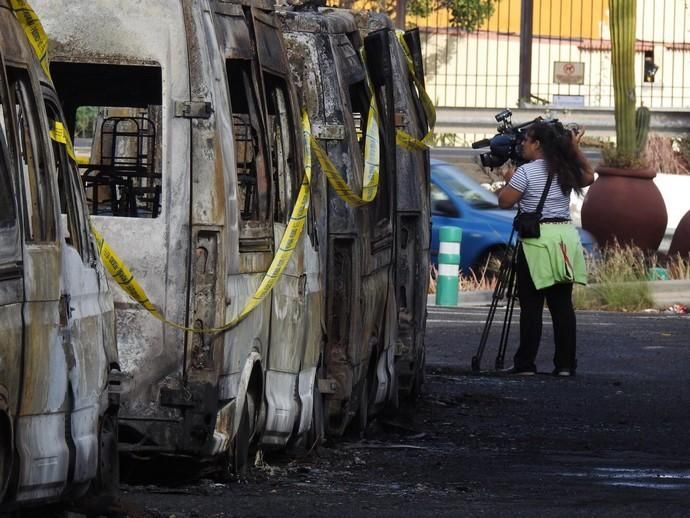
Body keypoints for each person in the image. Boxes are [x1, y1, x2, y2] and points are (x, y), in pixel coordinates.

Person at [498, 121, 594, 376]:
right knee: (562, 306)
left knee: (531, 306)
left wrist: (507, 181)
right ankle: (565, 365)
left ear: (537, 144)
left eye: (526, 141)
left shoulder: (525, 172)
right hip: (564, 239)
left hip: (536, 241)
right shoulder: (564, 168)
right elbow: (590, 176)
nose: (522, 145)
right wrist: (574, 148)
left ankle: (525, 364)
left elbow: (505, 202)